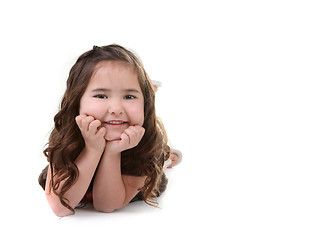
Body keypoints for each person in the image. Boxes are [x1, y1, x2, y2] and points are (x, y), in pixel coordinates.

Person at [38, 44, 172, 217]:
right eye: (101, 96)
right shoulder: (66, 134)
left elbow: (105, 206)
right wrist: (93, 148)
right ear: (77, 100)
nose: (116, 108)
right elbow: (61, 207)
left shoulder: (147, 143)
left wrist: (112, 151)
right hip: (81, 169)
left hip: (130, 178)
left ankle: (169, 156)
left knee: (161, 161)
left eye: (129, 96)